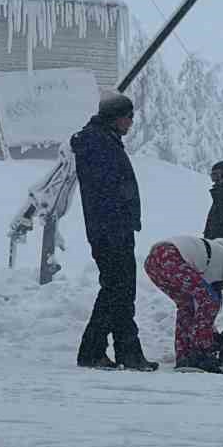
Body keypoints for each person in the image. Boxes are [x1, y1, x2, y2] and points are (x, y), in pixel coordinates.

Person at [71, 91, 157, 371]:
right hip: (110, 230)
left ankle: (126, 352)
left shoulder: (103, 140)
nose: (131, 122)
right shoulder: (98, 143)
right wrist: (121, 216)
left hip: (113, 228)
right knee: (116, 289)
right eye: (128, 116)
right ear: (115, 117)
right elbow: (107, 189)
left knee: (121, 291)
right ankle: (93, 350)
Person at [143, 235, 223, 372]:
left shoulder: (212, 254)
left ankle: (184, 356)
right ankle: (201, 354)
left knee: (187, 305)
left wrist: (213, 334)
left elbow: (199, 310)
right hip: (170, 256)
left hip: (153, 262)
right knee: (209, 300)